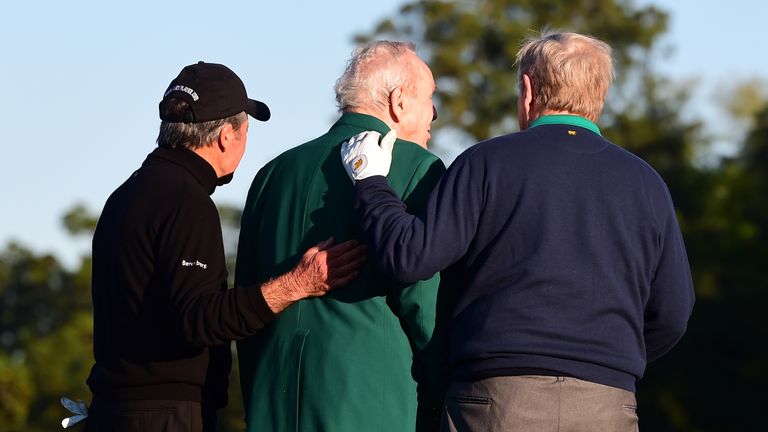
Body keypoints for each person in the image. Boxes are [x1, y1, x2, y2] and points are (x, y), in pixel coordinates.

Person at [341, 32, 695, 431]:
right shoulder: (648, 185)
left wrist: (370, 181)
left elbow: (409, 257)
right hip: (607, 405)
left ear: (527, 90)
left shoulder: (485, 163)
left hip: (496, 401)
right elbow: (673, 314)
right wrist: (605, 356)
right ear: (600, 95)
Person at [83, 61, 365, 432]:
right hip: (163, 415)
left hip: (112, 411)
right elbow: (200, 319)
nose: (246, 142)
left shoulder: (127, 193)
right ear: (225, 137)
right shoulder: (185, 200)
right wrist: (297, 284)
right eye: (247, 130)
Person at [235, 41, 448, 432]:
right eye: (430, 97)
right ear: (399, 101)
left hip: (271, 404)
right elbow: (425, 310)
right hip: (372, 405)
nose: (434, 112)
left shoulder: (271, 174)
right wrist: (445, 394)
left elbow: (247, 306)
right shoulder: (420, 168)